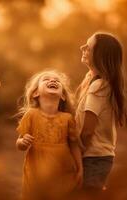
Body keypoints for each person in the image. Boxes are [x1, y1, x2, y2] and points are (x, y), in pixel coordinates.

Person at [16, 70, 82, 200]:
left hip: (63, 170)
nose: (53, 80)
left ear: (63, 96)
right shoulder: (31, 115)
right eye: (46, 79)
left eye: (57, 80)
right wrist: (23, 142)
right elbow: (19, 143)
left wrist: (80, 168)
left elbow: (74, 145)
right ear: (36, 93)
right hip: (37, 170)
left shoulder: (68, 118)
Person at [75, 32, 127, 196]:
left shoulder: (99, 86)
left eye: (88, 47)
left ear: (100, 56)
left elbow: (88, 130)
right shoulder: (91, 79)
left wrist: (76, 153)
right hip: (93, 156)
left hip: (93, 157)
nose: (82, 48)